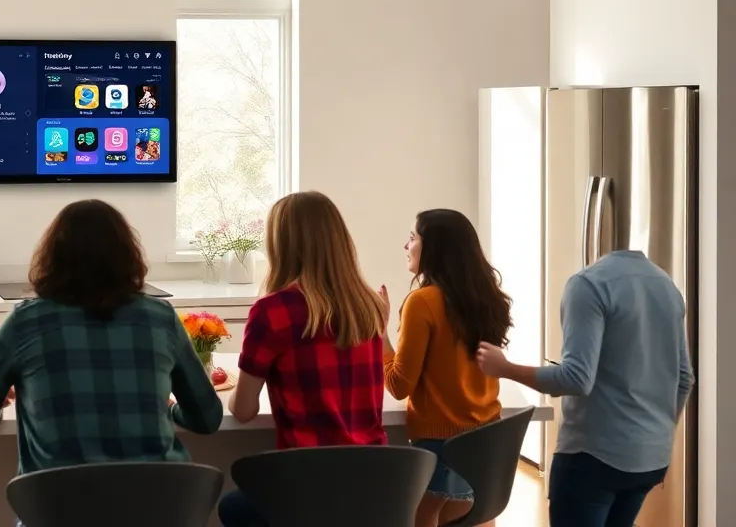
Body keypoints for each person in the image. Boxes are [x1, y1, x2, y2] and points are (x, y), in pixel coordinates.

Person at [0, 199, 223, 479]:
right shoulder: (160, 318)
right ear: (128, 255)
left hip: (55, 511)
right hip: (160, 507)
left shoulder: (26, 321)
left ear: (52, 256)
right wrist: (170, 410)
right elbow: (207, 418)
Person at [477, 249, 693, 527]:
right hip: (651, 458)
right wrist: (657, 437)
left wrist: (506, 368)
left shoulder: (588, 284)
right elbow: (685, 377)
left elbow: (576, 378)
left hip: (593, 458)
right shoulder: (667, 287)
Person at [219, 191, 388, 527]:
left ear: (280, 246)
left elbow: (244, 409)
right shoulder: (371, 304)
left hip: (308, 487)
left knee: (231, 507)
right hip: (377, 482)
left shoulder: (273, 312)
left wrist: (239, 383)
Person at [382, 209, 512, 527]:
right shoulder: (489, 299)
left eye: (412, 238)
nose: (405, 246)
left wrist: (379, 333)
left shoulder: (422, 303)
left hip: (443, 447)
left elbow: (399, 385)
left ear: (434, 248)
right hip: (486, 444)